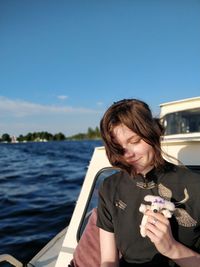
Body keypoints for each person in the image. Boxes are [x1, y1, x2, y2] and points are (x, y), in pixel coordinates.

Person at [96, 99, 200, 267]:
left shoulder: (196, 186)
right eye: (119, 148)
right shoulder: (109, 187)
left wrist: (172, 248)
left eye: (135, 141)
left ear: (155, 131)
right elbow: (108, 260)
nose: (127, 154)